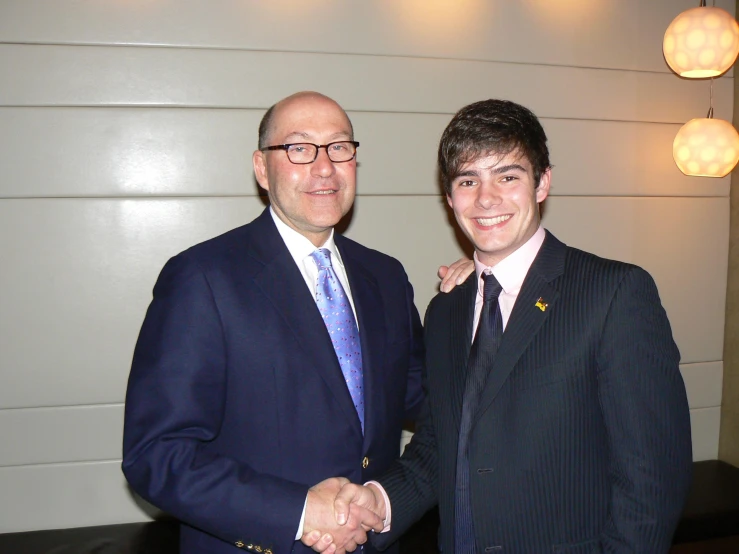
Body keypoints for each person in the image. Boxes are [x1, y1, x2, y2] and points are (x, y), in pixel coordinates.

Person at [323, 99, 693, 553]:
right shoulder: (446, 312)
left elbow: (651, 482)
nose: (486, 198)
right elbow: (438, 451)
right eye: (468, 180)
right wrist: (376, 501)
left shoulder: (614, 295)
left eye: (507, 176)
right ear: (449, 197)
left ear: (542, 183)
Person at [121, 91, 473, 554]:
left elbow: (435, 396)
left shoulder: (385, 276)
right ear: (262, 168)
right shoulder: (203, 278)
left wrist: (481, 300)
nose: (324, 167)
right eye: (299, 148)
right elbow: (157, 455)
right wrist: (300, 510)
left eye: (339, 147)